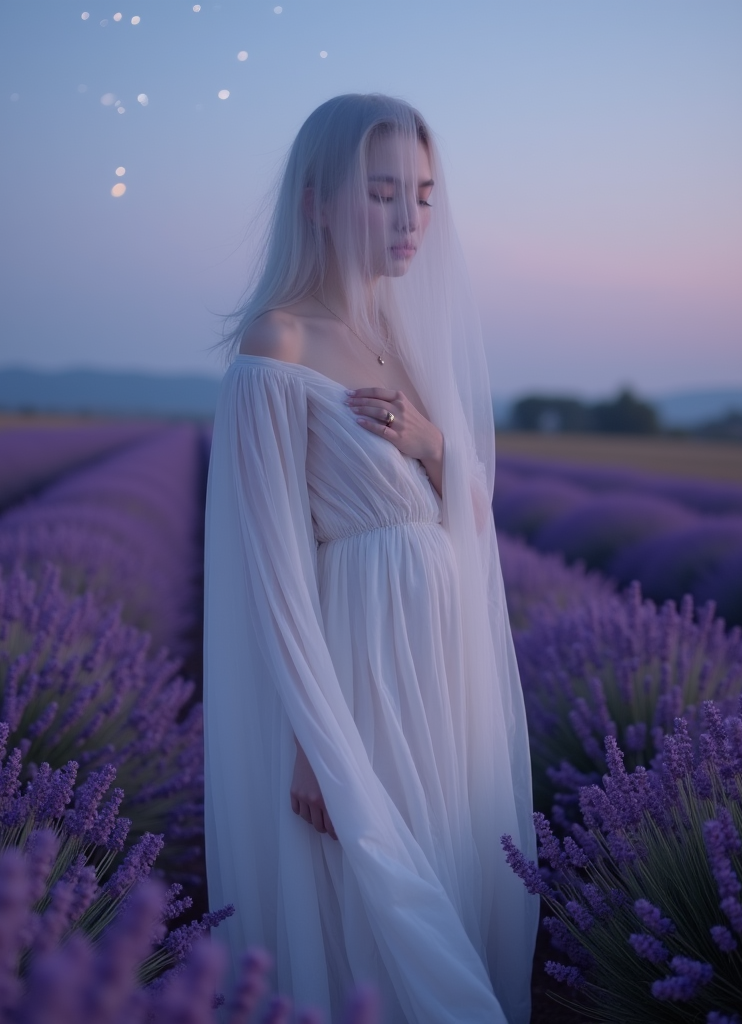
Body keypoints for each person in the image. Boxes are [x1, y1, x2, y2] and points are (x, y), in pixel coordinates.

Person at [204, 94, 538, 1024]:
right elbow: (272, 570)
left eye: (424, 196)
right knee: (375, 904)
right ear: (316, 200)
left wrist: (434, 440)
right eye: (382, 192)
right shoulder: (277, 343)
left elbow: (468, 510)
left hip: (438, 668)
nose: (410, 221)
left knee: (440, 863)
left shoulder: (400, 339)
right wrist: (315, 737)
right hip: (353, 670)